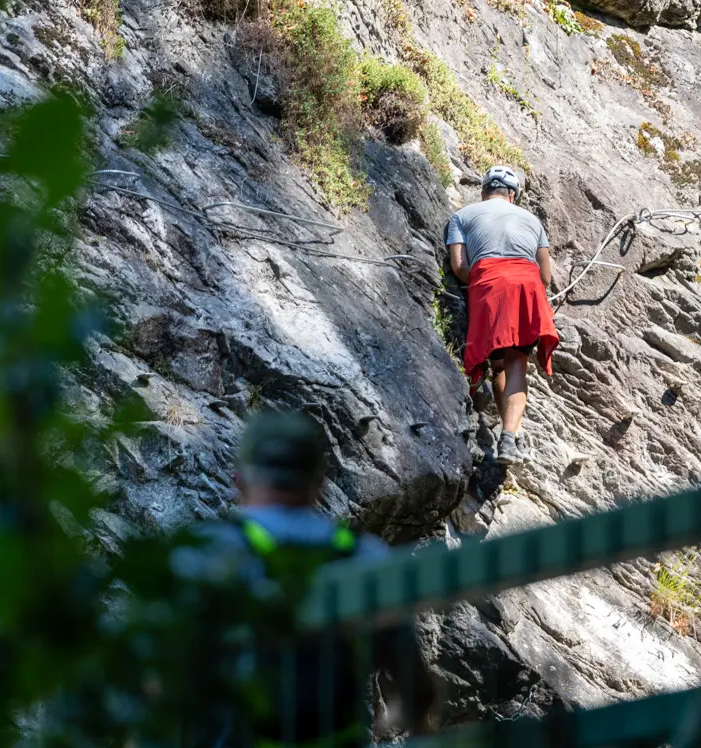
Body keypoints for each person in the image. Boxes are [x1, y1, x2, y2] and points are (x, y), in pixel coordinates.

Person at [174, 410, 436, 745]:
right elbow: (414, 682)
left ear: (240, 479)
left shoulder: (207, 552)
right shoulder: (362, 555)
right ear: (320, 481)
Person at [445, 165, 559, 466]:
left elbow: (459, 266)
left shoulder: (463, 216)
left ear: (484, 192)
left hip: (489, 282)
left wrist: (487, 281)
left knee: (497, 363)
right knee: (515, 362)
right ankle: (510, 437)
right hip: (527, 285)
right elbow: (546, 276)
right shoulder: (532, 220)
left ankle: (505, 433)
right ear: (512, 195)